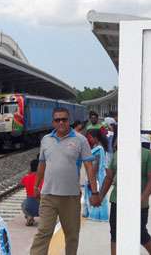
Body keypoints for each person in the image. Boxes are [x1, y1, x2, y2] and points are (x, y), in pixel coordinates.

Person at [30, 107, 99, 255]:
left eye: (64, 119)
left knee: (72, 235)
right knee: (43, 233)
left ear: (69, 121)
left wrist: (94, 191)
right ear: (53, 122)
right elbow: (41, 164)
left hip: (70, 197)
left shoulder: (80, 140)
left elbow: (88, 166)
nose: (61, 122)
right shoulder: (46, 140)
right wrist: (36, 186)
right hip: (48, 195)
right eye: (57, 120)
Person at [98, 142, 151, 255]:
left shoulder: (147, 154)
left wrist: (143, 197)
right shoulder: (117, 154)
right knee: (115, 233)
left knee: (140, 232)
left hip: (139, 204)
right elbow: (109, 177)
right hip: (117, 201)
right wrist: (100, 196)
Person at [82, 129, 109, 222]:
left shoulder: (98, 149)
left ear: (95, 137)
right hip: (97, 176)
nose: (88, 140)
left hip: (97, 177)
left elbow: (96, 165)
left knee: (95, 193)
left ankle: (96, 215)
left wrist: (90, 178)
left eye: (89, 138)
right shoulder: (97, 147)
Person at [21, 159, 42, 226]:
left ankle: (29, 216)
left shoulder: (26, 178)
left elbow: (19, 185)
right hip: (42, 208)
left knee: (23, 203)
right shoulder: (43, 178)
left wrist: (28, 174)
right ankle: (45, 219)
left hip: (29, 207)